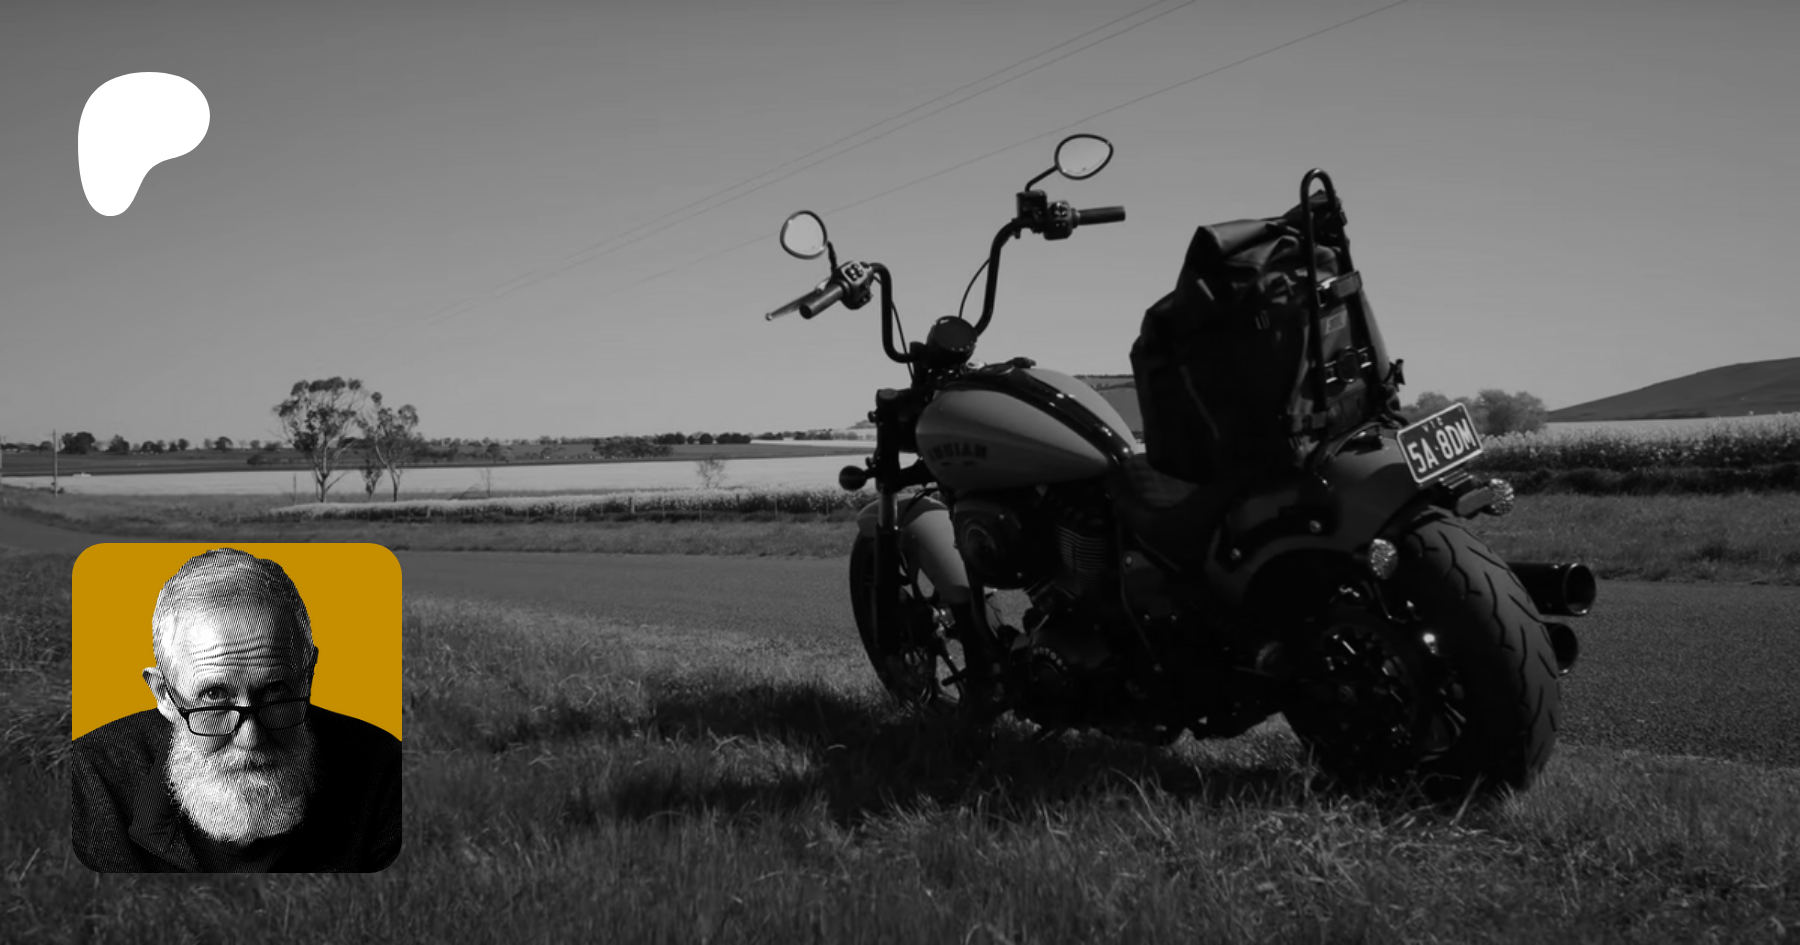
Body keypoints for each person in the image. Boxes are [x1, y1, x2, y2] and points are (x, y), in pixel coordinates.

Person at [70, 547, 401, 872]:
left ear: (307, 677)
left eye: (274, 691)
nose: (250, 738)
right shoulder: (90, 781)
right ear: (165, 695)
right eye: (214, 695)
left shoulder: (384, 771)